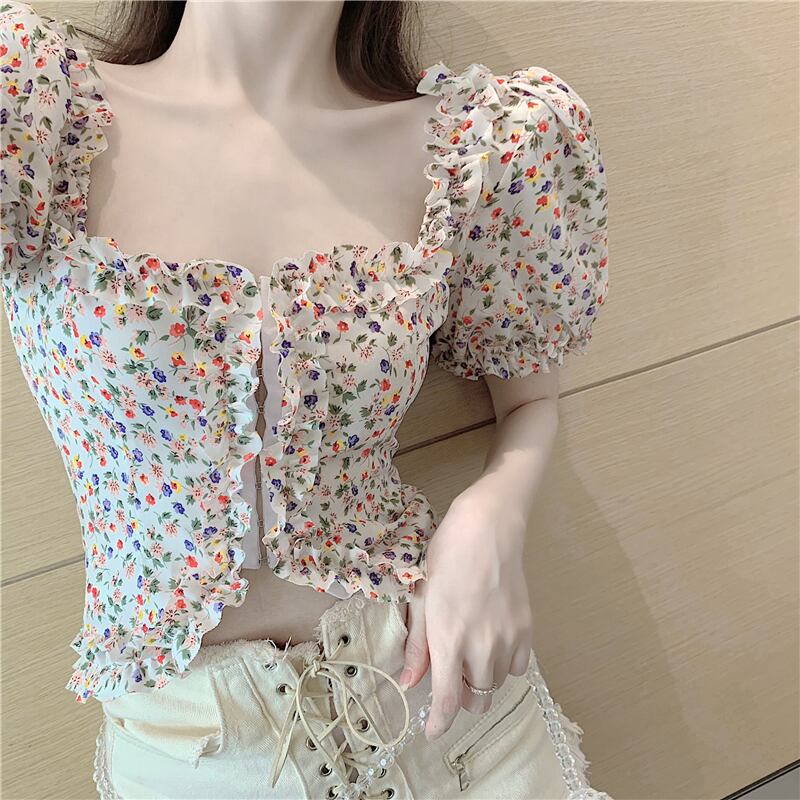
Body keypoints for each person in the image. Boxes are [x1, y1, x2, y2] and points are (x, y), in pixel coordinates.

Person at [0, 1, 612, 797]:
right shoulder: (35, 104)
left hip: (448, 711)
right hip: (195, 757)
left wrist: (492, 513)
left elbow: (528, 399)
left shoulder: (472, 147)